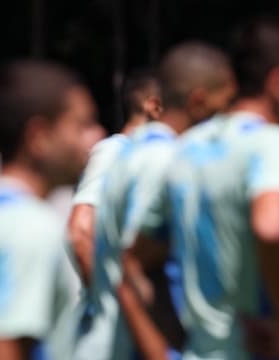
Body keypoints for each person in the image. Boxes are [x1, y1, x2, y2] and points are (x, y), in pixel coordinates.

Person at [134, 17, 279, 359]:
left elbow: (133, 258)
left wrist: (166, 339)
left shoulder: (187, 148)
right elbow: (270, 230)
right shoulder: (273, 143)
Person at [73, 41, 236, 360]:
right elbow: (90, 237)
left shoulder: (141, 151)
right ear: (198, 101)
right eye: (226, 103)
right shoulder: (158, 157)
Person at [0, 59, 103, 359]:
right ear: (40, 137)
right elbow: (6, 350)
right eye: (81, 125)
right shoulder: (32, 230)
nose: (96, 136)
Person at [68, 68, 162, 286]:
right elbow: (81, 230)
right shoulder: (114, 151)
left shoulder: (148, 156)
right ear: (154, 106)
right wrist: (106, 296)